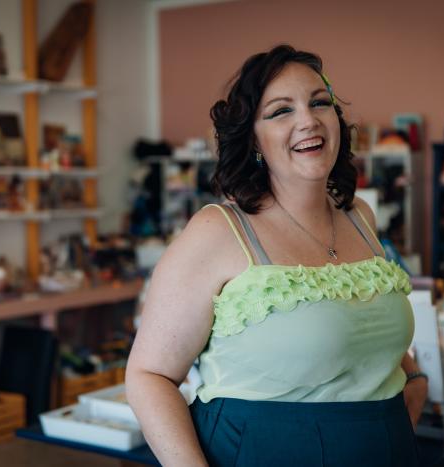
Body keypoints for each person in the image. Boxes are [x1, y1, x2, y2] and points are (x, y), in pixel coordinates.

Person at [126, 44, 427, 467]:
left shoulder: (360, 217)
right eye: (280, 111)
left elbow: (356, 323)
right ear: (253, 138)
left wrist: (412, 378)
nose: (308, 120)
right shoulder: (218, 231)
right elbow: (148, 376)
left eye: (319, 103)